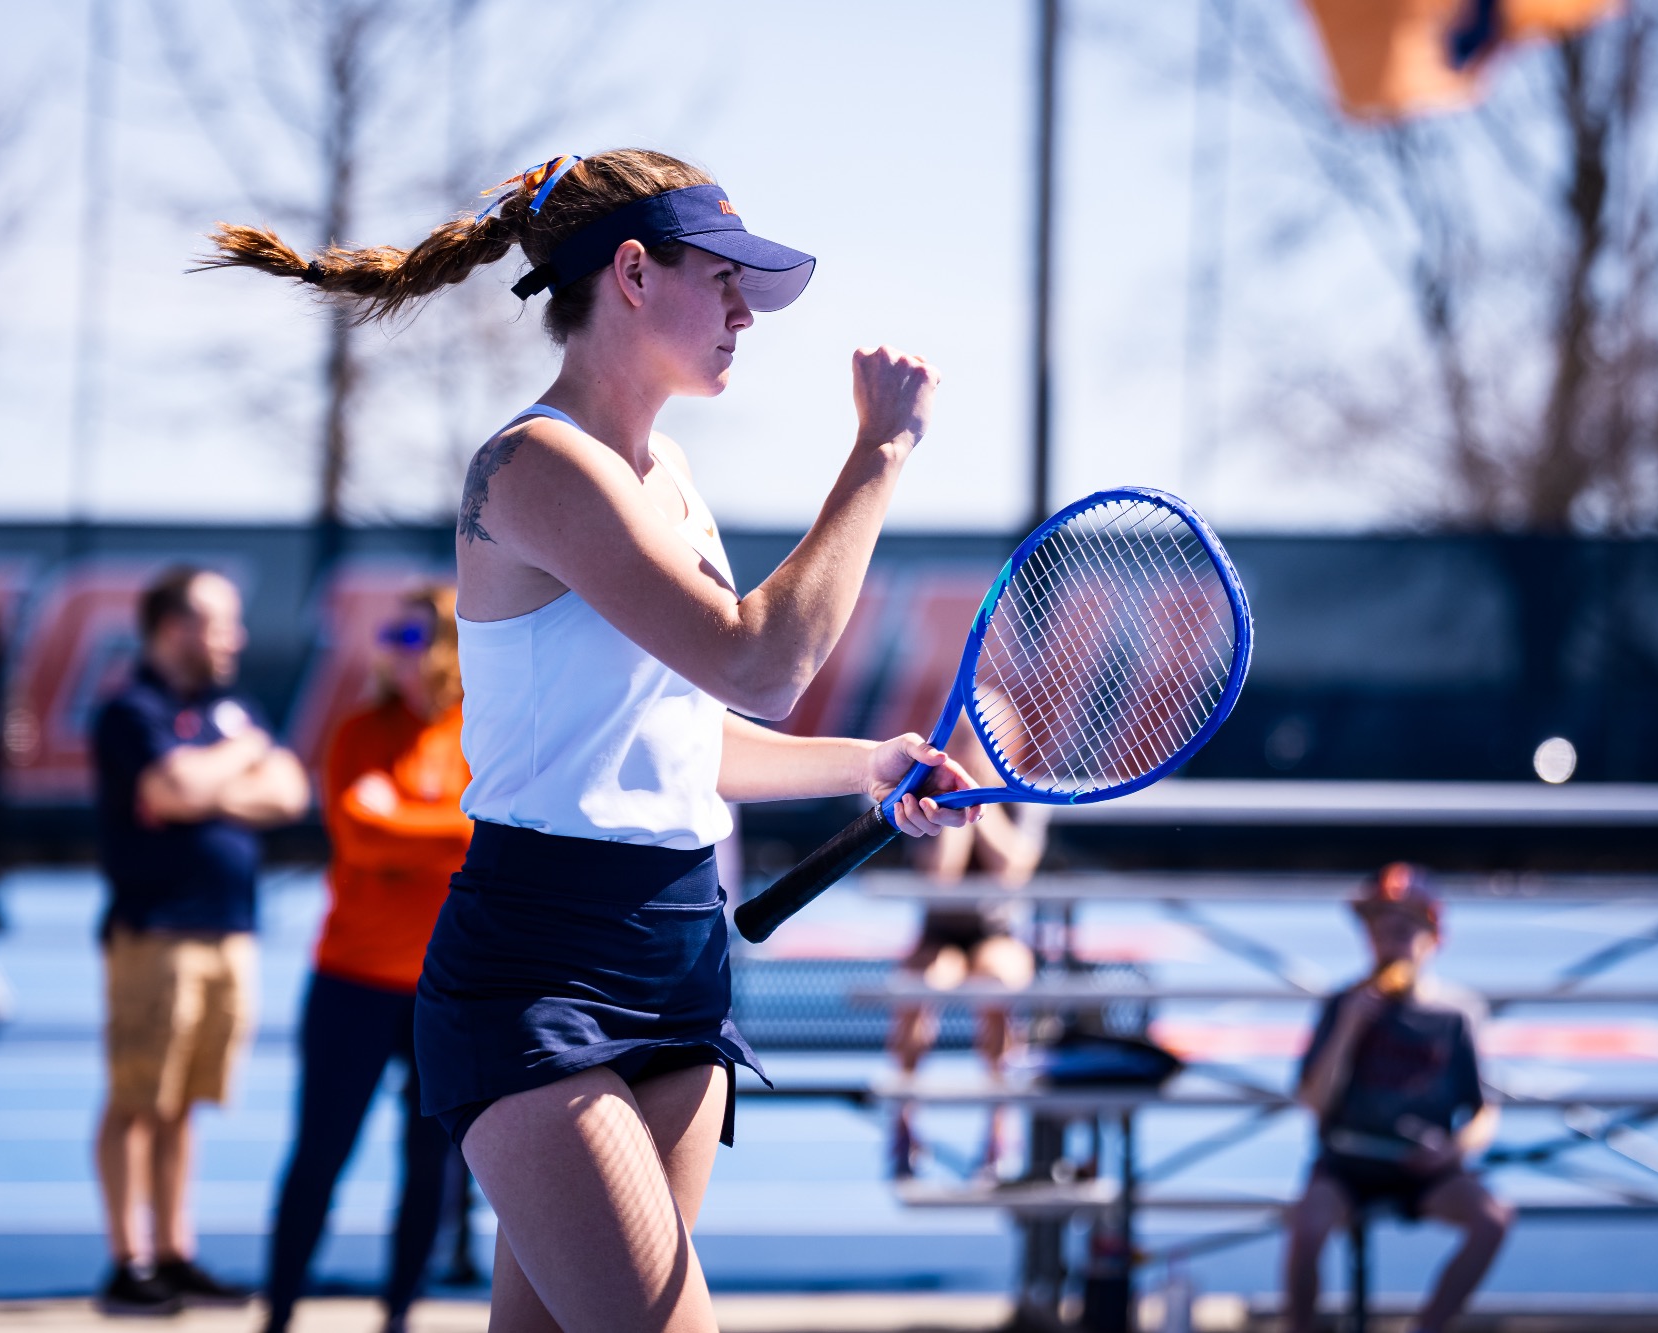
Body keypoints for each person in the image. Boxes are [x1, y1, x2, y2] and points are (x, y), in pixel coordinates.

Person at [207, 148, 981, 1331]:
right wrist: (878, 454)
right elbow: (761, 663)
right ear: (630, 271)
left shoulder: (667, 468)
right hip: (537, 968)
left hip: (677, 951)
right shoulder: (533, 465)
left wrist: (865, 767)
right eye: (722, 280)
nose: (742, 315)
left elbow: (684, 736)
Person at [90, 566, 311, 1314]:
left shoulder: (231, 708)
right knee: (136, 1097)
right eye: (220, 622)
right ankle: (128, 1260)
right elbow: (171, 791)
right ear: (174, 627)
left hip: (230, 930)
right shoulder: (131, 708)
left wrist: (210, 779)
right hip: (157, 932)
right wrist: (232, 764)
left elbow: (289, 789)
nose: (236, 637)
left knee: (184, 1101)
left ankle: (175, 1251)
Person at [263, 587, 469, 1333]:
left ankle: (399, 1316)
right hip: (350, 979)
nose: (392, 644)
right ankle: (279, 1313)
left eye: (411, 632)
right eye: (391, 630)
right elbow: (360, 837)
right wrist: (445, 830)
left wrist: (407, 822)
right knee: (318, 1155)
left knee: (431, 1168)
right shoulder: (357, 731)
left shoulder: (486, 732)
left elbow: (490, 836)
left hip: (446, 991)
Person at [1283, 863, 1514, 1333]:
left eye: (1405, 930)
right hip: (1347, 1162)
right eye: (1381, 931)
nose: (1392, 943)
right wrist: (1349, 1029)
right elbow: (1312, 1101)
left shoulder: (1454, 1013)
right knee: (1306, 1230)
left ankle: (1427, 1327)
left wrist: (1455, 1149)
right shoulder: (1343, 1003)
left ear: (1431, 937)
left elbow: (1485, 1109)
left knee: (1493, 1221)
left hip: (1423, 1167)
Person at [887, 719, 1044, 1180]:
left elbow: (1012, 871)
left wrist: (982, 801)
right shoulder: (921, 795)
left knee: (996, 985)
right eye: (963, 743)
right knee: (918, 987)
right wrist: (956, 802)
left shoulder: (1023, 797)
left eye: (983, 742)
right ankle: (905, 1118)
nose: (972, 752)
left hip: (996, 935)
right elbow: (941, 878)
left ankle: (999, 1125)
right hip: (938, 935)